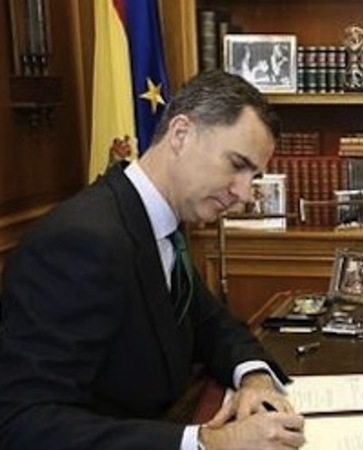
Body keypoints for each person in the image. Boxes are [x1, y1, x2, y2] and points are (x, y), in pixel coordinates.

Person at [0, 70, 306, 449]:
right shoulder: (81, 241)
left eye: (254, 175)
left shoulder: (162, 222)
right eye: (236, 164)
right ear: (180, 134)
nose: (244, 193)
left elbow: (213, 326)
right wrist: (207, 442)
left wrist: (254, 380)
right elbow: (24, 422)